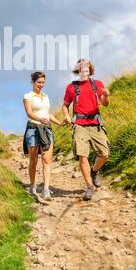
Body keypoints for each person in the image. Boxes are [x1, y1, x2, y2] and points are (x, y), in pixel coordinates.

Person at [62, 59, 110, 201]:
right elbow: (65, 105)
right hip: (80, 125)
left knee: (105, 154)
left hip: (95, 123)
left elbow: (104, 104)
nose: (85, 71)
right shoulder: (71, 87)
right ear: (78, 70)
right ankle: (89, 186)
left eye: (87, 69)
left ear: (90, 70)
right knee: (82, 155)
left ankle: (94, 171)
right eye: (82, 68)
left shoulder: (98, 84)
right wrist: (66, 115)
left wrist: (106, 96)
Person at [23, 71, 63, 201]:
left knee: (46, 160)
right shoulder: (27, 96)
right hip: (33, 129)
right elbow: (29, 113)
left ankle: (46, 189)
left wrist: (59, 123)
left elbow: (48, 114)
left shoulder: (46, 96)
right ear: (33, 82)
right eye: (39, 82)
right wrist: (40, 119)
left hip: (46, 129)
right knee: (33, 160)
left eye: (43, 82)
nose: (41, 85)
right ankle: (33, 186)